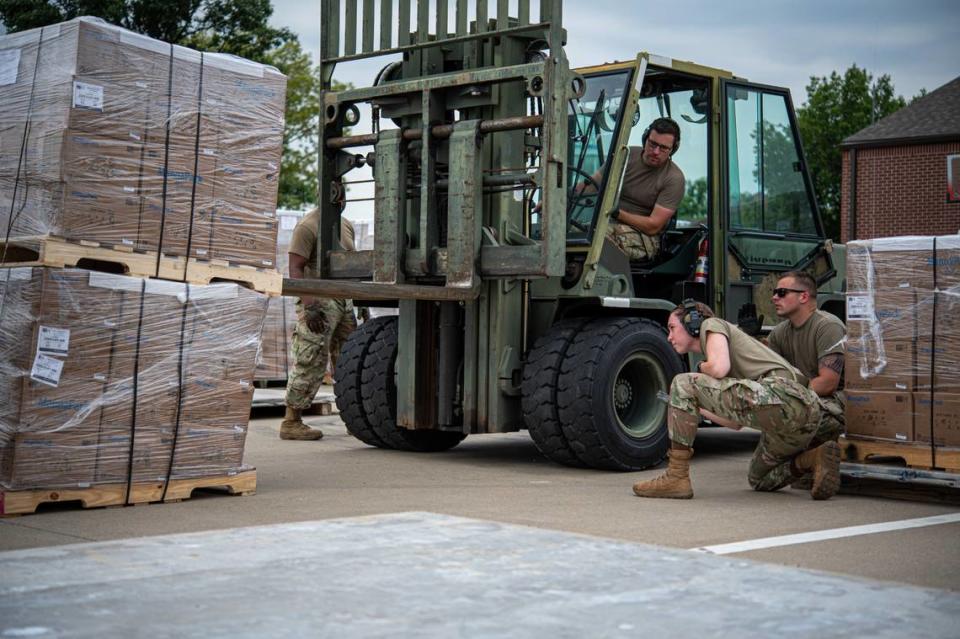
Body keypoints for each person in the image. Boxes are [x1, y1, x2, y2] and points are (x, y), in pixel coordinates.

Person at [631, 301, 841, 500]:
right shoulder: (727, 356)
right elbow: (735, 423)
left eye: (672, 328)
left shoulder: (711, 325)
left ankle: (676, 476)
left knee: (683, 382)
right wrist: (693, 406)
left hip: (785, 396)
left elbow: (718, 367)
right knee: (760, 479)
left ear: (692, 322)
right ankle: (812, 458)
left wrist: (699, 370)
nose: (669, 337)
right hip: (800, 415)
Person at [280, 211, 357, 441]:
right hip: (319, 300)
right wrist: (309, 304)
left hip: (343, 299)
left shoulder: (345, 224)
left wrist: (358, 302)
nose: (340, 199)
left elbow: (352, 265)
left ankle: (354, 420)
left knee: (350, 360)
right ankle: (291, 421)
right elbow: (295, 267)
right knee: (310, 357)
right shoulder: (308, 226)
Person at [767, 270, 846, 450]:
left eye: (781, 293)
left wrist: (785, 395)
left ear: (803, 296)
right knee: (761, 477)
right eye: (774, 292)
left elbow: (827, 384)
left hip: (835, 406)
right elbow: (768, 374)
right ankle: (809, 461)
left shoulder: (828, 326)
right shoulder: (779, 333)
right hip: (804, 400)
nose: (774, 298)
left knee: (793, 417)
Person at [603, 117, 685, 260]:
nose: (656, 152)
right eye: (652, 144)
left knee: (600, 238)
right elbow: (591, 185)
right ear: (645, 139)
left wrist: (617, 213)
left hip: (645, 237)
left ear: (673, 150)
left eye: (664, 148)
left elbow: (653, 226)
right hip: (609, 222)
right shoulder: (625, 156)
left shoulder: (674, 178)